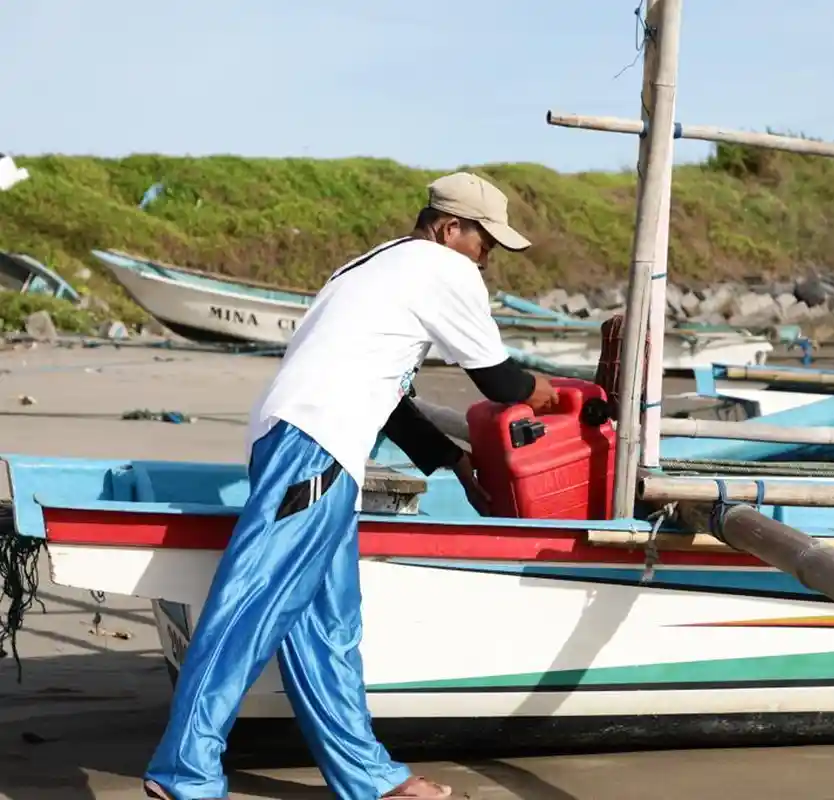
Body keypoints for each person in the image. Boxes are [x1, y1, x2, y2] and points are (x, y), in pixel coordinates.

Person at [143, 172, 559, 800]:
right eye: (485, 241)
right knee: (251, 607)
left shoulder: (366, 269)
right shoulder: (443, 270)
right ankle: (183, 772)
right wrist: (542, 393)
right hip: (314, 446)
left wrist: (450, 459)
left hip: (303, 443)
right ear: (449, 229)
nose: (489, 256)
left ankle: (370, 779)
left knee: (327, 627)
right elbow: (499, 382)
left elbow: (384, 393)